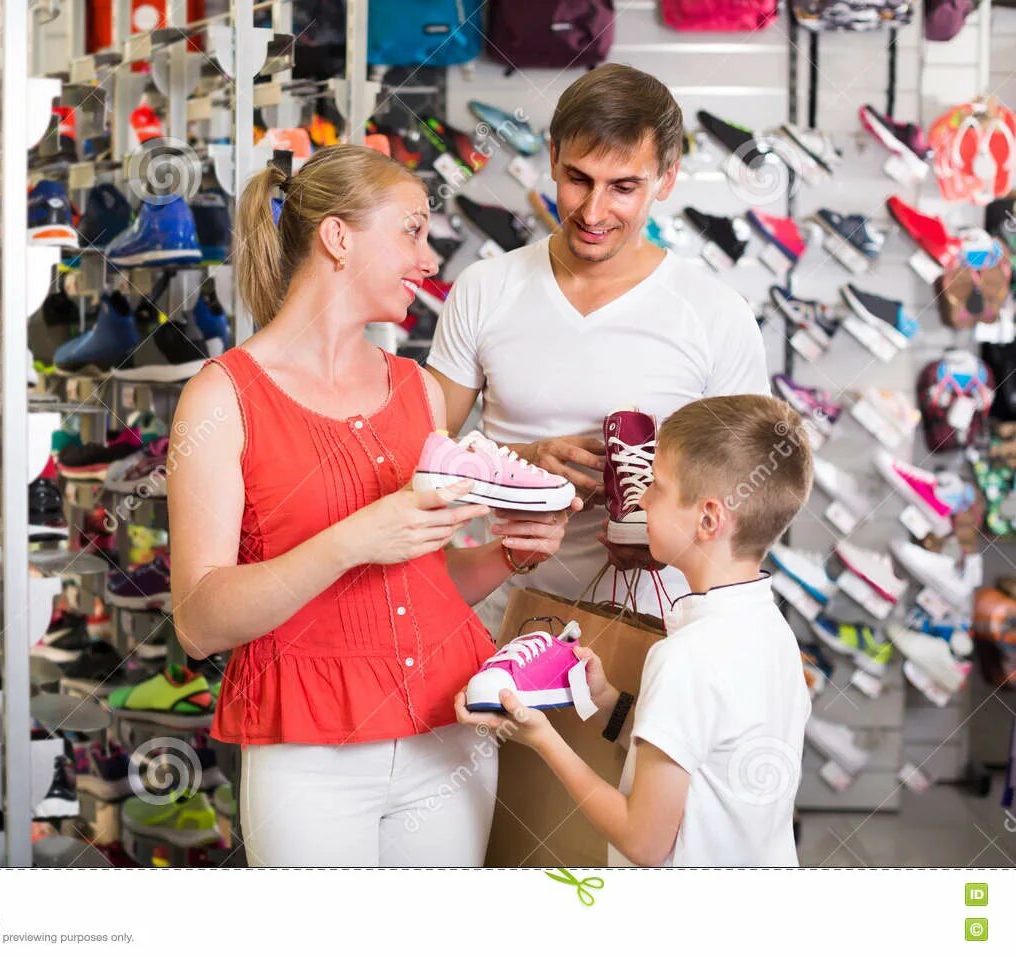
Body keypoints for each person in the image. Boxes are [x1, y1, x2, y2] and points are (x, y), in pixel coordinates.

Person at [167, 145, 580, 866]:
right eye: (412, 231)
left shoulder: (417, 389)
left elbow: (419, 582)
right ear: (337, 237)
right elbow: (200, 622)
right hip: (310, 757)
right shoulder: (222, 398)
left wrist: (511, 553)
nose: (429, 258)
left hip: (448, 731)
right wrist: (352, 538)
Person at [427, 63, 769, 620]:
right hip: (504, 618)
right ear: (554, 155)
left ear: (666, 179)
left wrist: (671, 536)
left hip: (656, 632)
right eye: (578, 178)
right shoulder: (485, 289)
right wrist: (518, 466)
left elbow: (750, 502)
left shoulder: (716, 314)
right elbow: (420, 461)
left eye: (624, 187)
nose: (592, 212)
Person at [457, 395, 813, 866]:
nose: (640, 499)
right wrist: (610, 703)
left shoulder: (687, 656)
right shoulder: (772, 633)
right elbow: (703, 757)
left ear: (708, 519)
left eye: (657, 488)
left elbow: (644, 843)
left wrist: (542, 738)